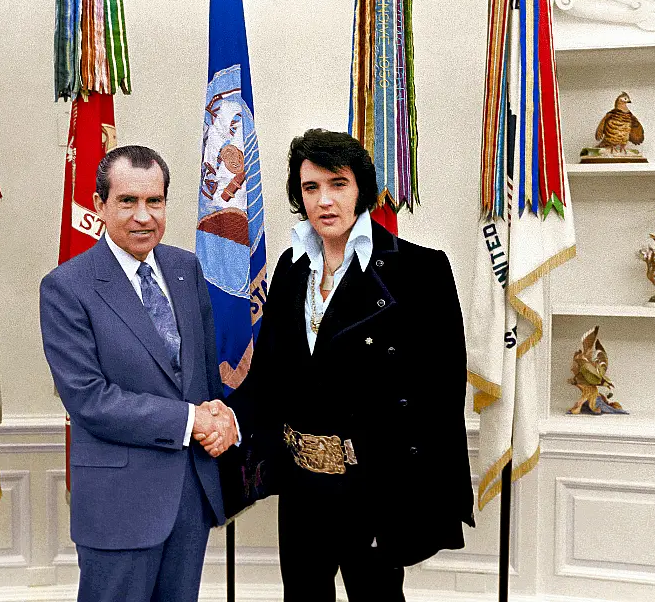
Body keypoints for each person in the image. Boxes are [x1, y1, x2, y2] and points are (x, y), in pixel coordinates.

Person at [204, 129, 475, 601]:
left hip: (375, 489)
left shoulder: (420, 272)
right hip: (301, 486)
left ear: (361, 189)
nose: (324, 200)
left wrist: (412, 502)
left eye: (338, 184)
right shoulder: (290, 267)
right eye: (311, 188)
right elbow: (268, 375)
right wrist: (225, 415)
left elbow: (440, 398)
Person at [40, 145, 239, 602]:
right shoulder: (66, 287)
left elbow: (204, 376)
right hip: (118, 505)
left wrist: (219, 416)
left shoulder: (185, 267)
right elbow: (89, 398)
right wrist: (192, 421)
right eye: (127, 201)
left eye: (154, 201)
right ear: (99, 205)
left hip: (190, 497)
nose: (142, 216)